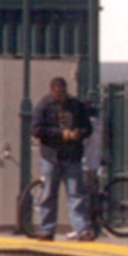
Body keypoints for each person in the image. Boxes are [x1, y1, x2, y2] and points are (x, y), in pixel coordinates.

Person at [31, 76, 96, 240]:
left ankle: (82, 230)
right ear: (52, 91)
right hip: (51, 156)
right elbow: (36, 129)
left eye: (63, 93)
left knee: (76, 193)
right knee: (49, 194)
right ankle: (47, 230)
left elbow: (87, 128)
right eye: (57, 94)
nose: (61, 97)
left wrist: (78, 133)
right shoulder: (44, 105)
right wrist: (61, 134)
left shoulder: (76, 105)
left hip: (72, 155)